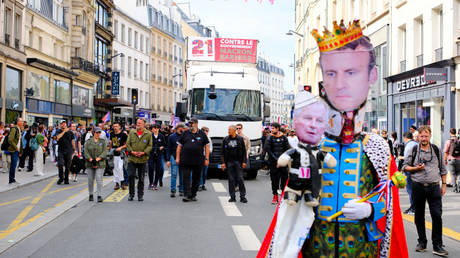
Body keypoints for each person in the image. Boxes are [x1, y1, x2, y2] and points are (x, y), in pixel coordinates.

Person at [294, 20, 407, 257]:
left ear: (370, 76)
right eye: (332, 73)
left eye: (351, 72)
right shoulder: (311, 145)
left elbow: (388, 199)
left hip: (361, 247)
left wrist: (370, 208)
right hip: (317, 245)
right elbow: (291, 204)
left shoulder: (377, 147)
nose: (341, 84)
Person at [403, 126, 448, 256]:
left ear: (430, 136)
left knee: (437, 215)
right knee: (419, 216)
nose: (424, 138)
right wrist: (416, 168)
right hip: (418, 186)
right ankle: (422, 242)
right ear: (418, 137)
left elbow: (443, 169)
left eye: (426, 136)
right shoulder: (414, 149)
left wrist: (444, 185)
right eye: (421, 136)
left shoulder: (436, 150)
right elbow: (405, 167)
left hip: (434, 187)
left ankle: (437, 245)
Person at [176, 117, 210, 202]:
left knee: (196, 178)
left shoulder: (202, 134)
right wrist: (177, 157)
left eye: (192, 123)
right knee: (186, 178)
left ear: (196, 124)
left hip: (198, 161)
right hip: (186, 160)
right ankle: (187, 195)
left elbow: (207, 147)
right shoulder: (185, 133)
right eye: (189, 124)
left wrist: (207, 158)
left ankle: (193, 194)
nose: (190, 125)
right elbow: (179, 146)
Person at [126, 118, 152, 202]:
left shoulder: (148, 134)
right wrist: (132, 152)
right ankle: (131, 194)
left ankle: (140, 195)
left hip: (142, 159)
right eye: (137, 123)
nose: (138, 124)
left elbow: (150, 145)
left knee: (141, 178)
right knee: (131, 176)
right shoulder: (132, 132)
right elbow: (128, 144)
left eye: (140, 123)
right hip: (132, 159)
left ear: (144, 124)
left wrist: (143, 152)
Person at [221, 125, 248, 203]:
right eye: (228, 129)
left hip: (238, 162)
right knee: (231, 179)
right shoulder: (225, 139)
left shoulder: (240, 139)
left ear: (234, 130)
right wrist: (223, 163)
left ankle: (243, 197)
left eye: (229, 130)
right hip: (229, 162)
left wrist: (244, 162)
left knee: (240, 178)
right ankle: (232, 197)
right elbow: (222, 152)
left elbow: (244, 151)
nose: (228, 131)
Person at [264, 122, 290, 204]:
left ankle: (282, 196)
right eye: (271, 128)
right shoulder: (269, 137)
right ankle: (275, 196)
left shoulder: (284, 137)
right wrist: (277, 160)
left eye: (273, 128)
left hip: (283, 163)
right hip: (273, 163)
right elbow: (268, 150)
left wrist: (283, 160)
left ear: (277, 128)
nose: (271, 130)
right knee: (274, 180)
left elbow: (287, 149)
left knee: (284, 179)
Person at [84, 127, 107, 202]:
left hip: (100, 163)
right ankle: (91, 194)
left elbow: (104, 152)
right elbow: (86, 151)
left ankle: (99, 195)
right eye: (97, 132)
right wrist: (90, 159)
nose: (98, 134)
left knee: (99, 179)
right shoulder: (88, 141)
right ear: (93, 133)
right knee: (90, 180)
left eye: (99, 133)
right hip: (90, 163)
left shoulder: (103, 142)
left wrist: (98, 159)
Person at [167, 123, 185, 197]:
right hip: (174, 157)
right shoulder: (171, 136)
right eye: (181, 128)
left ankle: (181, 190)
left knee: (182, 174)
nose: (182, 129)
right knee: (174, 174)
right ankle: (173, 190)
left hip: (183, 157)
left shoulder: (185, 136)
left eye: (183, 128)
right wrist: (168, 159)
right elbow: (168, 148)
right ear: (178, 128)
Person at [56, 120, 77, 185]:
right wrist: (64, 131)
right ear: (60, 125)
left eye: (64, 123)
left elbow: (73, 141)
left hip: (69, 151)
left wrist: (75, 150)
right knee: (60, 164)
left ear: (66, 124)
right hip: (61, 151)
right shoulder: (58, 131)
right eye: (62, 124)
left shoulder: (70, 132)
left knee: (68, 166)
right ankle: (61, 178)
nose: (63, 125)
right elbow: (57, 138)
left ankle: (66, 179)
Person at [402, 132, 418, 214]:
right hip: (418, 170)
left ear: (405, 137)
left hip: (410, 170)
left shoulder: (408, 146)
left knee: (410, 189)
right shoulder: (416, 143)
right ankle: (414, 206)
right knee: (415, 190)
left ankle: (413, 208)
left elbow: (406, 159)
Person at [110, 122, 127, 190]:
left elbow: (127, 144)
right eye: (114, 126)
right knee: (115, 168)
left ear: (119, 127)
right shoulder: (112, 134)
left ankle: (122, 182)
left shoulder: (123, 134)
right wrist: (109, 148)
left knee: (120, 168)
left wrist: (121, 147)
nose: (115, 127)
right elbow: (111, 142)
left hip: (121, 153)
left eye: (116, 126)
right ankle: (117, 183)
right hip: (114, 153)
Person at [148, 124, 165, 190]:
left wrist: (162, 147)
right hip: (151, 154)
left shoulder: (161, 136)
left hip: (159, 154)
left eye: (157, 128)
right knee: (151, 168)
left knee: (158, 169)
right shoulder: (149, 136)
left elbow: (164, 144)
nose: (156, 129)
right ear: (152, 129)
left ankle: (155, 183)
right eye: (154, 128)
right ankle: (150, 183)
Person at [7, 118, 24, 184]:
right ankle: (11, 180)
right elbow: (10, 139)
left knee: (14, 165)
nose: (22, 122)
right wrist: (16, 147)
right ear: (18, 122)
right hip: (14, 150)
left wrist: (20, 151)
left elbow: (20, 141)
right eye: (21, 121)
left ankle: (12, 179)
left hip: (17, 150)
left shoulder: (19, 129)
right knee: (13, 165)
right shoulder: (14, 129)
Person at [444, 128, 460, 192]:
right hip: (459, 160)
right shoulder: (459, 141)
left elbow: (445, 152)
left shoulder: (448, 141)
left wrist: (445, 160)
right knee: (459, 173)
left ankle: (455, 189)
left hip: (451, 159)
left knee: (453, 174)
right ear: (455, 133)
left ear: (450, 133)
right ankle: (459, 185)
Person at [199, 126, 212, 191]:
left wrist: (207, 149)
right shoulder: (199, 138)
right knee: (200, 171)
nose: (205, 132)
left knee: (205, 172)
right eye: (204, 130)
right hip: (200, 156)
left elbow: (211, 149)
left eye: (207, 131)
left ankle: (203, 184)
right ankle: (200, 185)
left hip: (206, 157)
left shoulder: (209, 139)